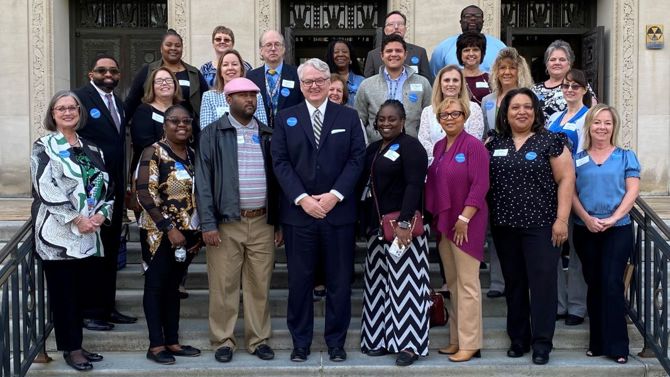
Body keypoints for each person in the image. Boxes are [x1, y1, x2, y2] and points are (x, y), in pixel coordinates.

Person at [271, 58, 366, 363]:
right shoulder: (286, 118)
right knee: (300, 281)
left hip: (338, 214)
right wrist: (303, 198)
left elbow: (356, 160)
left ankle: (336, 343)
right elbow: (281, 163)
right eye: (308, 82)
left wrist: (334, 196)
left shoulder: (348, 117)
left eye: (319, 81)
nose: (313, 86)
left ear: (329, 83)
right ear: (300, 86)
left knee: (339, 282)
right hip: (299, 215)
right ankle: (301, 343)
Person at [486, 88, 574, 365]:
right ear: (506, 113)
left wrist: (561, 220)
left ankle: (542, 343)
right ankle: (519, 338)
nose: (521, 112)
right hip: (504, 226)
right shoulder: (494, 143)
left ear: (535, 111)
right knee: (514, 284)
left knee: (543, 284)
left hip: (542, 226)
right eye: (515, 108)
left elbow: (566, 180)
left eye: (527, 107)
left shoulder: (551, 140)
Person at [195, 77, 281, 363]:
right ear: (228, 100)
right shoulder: (212, 133)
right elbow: (203, 183)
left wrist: (278, 221)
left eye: (253, 96)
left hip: (262, 222)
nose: (250, 101)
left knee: (260, 284)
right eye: (243, 96)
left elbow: (279, 181)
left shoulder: (269, 134)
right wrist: (207, 223)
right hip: (225, 222)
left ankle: (258, 339)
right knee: (224, 284)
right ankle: (224, 339)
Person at [31, 90, 113, 371]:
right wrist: (76, 218)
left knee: (80, 294)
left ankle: (78, 343)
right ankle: (71, 348)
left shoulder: (92, 148)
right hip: (58, 236)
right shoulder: (43, 146)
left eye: (72, 108)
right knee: (64, 295)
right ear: (52, 115)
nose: (67, 112)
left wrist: (102, 213)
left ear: (79, 112)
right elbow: (45, 188)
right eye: (60, 109)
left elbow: (106, 186)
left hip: (88, 235)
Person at [358, 100, 429, 366]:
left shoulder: (412, 148)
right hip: (377, 230)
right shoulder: (374, 148)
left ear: (403, 121)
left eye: (392, 119)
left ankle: (409, 345)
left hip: (402, 229)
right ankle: (378, 338)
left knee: (406, 286)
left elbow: (414, 186)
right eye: (381, 119)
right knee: (378, 285)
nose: (386, 123)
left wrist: (404, 222)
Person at [572, 104, 640, 364]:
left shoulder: (625, 156)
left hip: (617, 229)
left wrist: (613, 218)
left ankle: (618, 346)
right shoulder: (578, 158)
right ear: (589, 125)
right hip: (585, 228)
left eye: (607, 123)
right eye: (597, 122)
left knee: (612, 283)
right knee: (595, 283)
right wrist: (587, 218)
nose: (602, 127)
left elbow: (632, 191)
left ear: (614, 127)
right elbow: (572, 192)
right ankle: (597, 342)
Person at [74, 54, 138, 331]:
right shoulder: (80, 99)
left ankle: (107, 307)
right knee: (93, 254)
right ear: (91, 74)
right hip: (92, 192)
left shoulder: (119, 104)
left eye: (113, 70)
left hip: (113, 192)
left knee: (110, 251)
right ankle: (90, 312)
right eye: (102, 70)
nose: (108, 74)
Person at [136, 105, 202, 365]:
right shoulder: (153, 152)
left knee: (173, 288)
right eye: (175, 121)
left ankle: (172, 341)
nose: (181, 125)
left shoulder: (193, 154)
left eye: (186, 120)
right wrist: (168, 228)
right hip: (159, 233)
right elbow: (144, 193)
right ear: (165, 125)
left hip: (187, 234)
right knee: (155, 287)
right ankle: (155, 345)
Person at [426, 96, 489, 362]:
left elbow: (480, 185)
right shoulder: (439, 146)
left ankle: (471, 342)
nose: (450, 118)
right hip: (445, 224)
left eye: (455, 114)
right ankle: (456, 339)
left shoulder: (474, 146)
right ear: (439, 120)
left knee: (468, 285)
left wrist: (464, 218)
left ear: (465, 116)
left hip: (466, 224)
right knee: (452, 284)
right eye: (444, 115)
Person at [547, 69, 592, 326]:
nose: (570, 90)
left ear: (584, 89)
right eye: (565, 86)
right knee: (552, 250)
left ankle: (576, 306)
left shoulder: (589, 118)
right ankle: (558, 304)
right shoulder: (555, 116)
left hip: (578, 189)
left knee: (576, 252)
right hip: (553, 190)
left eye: (575, 86)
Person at [125, 29, 208, 131]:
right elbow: (132, 101)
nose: (173, 48)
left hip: (187, 129)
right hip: (155, 129)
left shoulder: (194, 73)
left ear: (182, 49)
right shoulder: (148, 71)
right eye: (168, 45)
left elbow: (205, 103)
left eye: (177, 45)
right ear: (161, 48)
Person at [356, 34, 432, 142]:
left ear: (405, 55)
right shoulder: (366, 85)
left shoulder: (423, 83)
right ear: (382, 55)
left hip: (411, 146)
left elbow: (429, 119)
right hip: (376, 148)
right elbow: (359, 121)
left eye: (398, 51)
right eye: (389, 51)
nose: (394, 54)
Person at [418, 65, 484, 166]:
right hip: (434, 166)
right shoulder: (427, 112)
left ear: (461, 84)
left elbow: (475, 139)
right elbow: (424, 142)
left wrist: (453, 159)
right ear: (440, 83)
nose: (451, 84)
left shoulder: (474, 109)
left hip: (463, 165)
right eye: (447, 80)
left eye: (455, 80)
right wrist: (442, 159)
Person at [130, 67, 182, 176]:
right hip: (151, 169)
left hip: (181, 169)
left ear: (175, 85)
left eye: (168, 80)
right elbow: (143, 143)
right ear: (152, 86)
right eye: (159, 81)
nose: (164, 83)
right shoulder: (144, 111)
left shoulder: (183, 111)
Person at [246, 30, 304, 128]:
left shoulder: (297, 74)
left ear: (284, 49)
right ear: (261, 50)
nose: (273, 48)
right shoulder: (251, 77)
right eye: (268, 45)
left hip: (290, 131)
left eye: (277, 44)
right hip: (259, 132)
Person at [531, 40, 597, 124]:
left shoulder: (578, 86)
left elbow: (593, 112)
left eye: (562, 59)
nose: (557, 63)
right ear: (547, 64)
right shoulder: (535, 89)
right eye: (552, 59)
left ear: (569, 64)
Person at [200, 49, 268, 129]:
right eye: (225, 65)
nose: (230, 68)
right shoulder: (208, 97)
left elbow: (263, 127)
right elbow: (206, 130)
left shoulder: (256, 95)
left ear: (241, 70)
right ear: (220, 71)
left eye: (234, 64)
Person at [430, 5, 506, 75]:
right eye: (467, 16)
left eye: (477, 16)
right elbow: (434, 75)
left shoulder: (499, 46)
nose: (473, 18)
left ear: (483, 22)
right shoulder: (444, 47)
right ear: (461, 22)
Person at [363, 11, 432, 82]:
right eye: (391, 24)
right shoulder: (373, 55)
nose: (396, 27)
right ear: (385, 30)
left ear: (405, 29)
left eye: (400, 24)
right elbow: (367, 86)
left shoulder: (420, 52)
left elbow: (427, 83)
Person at [325, 39, 365, 107]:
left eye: (344, 52)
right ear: (331, 57)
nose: (340, 54)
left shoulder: (362, 82)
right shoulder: (324, 80)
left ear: (350, 57)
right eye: (336, 52)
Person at [457, 32, 491, 105]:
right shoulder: (454, 78)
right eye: (466, 50)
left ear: (482, 53)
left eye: (475, 50)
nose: (471, 54)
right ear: (460, 54)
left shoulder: (491, 79)